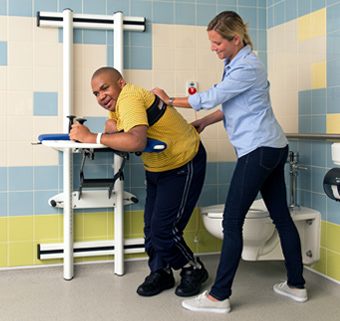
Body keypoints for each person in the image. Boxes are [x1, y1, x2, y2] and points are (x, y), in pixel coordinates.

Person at [151, 11, 307, 314]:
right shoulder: (236, 63)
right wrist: (206, 122)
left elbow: (210, 97)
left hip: (258, 150)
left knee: (231, 221)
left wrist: (168, 100)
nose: (213, 48)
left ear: (236, 39)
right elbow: (231, 103)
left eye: (217, 42)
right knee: (281, 217)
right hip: (272, 147)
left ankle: (218, 296)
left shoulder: (248, 66)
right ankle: (296, 285)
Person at [69, 67, 208, 298]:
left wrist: (89, 137)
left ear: (121, 83)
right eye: (96, 93)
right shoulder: (119, 104)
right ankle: (160, 272)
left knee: (164, 230)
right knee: (151, 229)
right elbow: (110, 127)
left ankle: (193, 268)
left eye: (105, 88)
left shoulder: (130, 98)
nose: (101, 96)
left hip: (182, 162)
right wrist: (111, 130)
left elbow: (135, 141)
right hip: (157, 167)